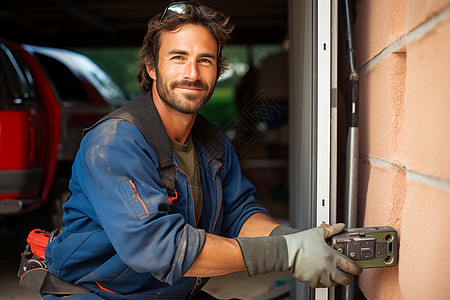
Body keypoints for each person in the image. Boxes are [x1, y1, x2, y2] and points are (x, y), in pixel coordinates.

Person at [43, 1, 361, 299]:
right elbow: (158, 247)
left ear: (216, 69)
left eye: (204, 60)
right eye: (178, 57)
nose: (192, 74)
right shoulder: (115, 143)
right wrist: (286, 253)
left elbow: (239, 215)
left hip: (169, 292)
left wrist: (293, 239)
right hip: (96, 293)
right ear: (152, 67)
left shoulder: (211, 140)